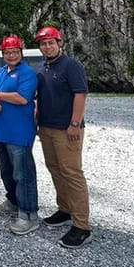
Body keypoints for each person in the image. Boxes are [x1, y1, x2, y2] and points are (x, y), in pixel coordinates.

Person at [34, 26, 92, 248]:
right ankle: (65, 209)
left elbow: (80, 93)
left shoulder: (71, 65)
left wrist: (75, 124)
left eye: (51, 42)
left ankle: (82, 226)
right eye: (43, 43)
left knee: (72, 173)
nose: (47, 46)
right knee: (55, 168)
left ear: (59, 43)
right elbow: (41, 98)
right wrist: (37, 120)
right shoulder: (42, 68)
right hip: (47, 127)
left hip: (67, 129)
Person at [0, 34, 39, 235]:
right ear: (3, 54)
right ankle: (13, 201)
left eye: (15, 52)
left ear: (21, 53)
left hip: (19, 132)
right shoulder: (0, 72)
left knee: (23, 173)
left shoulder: (27, 73)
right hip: (1, 130)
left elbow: (22, 98)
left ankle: (29, 214)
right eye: (7, 52)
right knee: (6, 170)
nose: (11, 55)